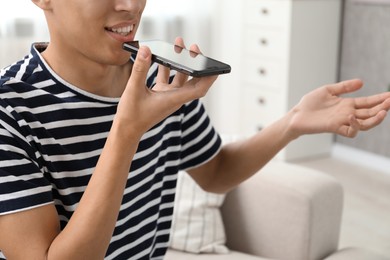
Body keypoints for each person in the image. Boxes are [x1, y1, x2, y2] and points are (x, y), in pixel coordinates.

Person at [0, 0, 390, 259]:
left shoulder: (157, 79)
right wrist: (126, 132)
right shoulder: (10, 111)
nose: (132, 5)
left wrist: (292, 123)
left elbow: (216, 174)